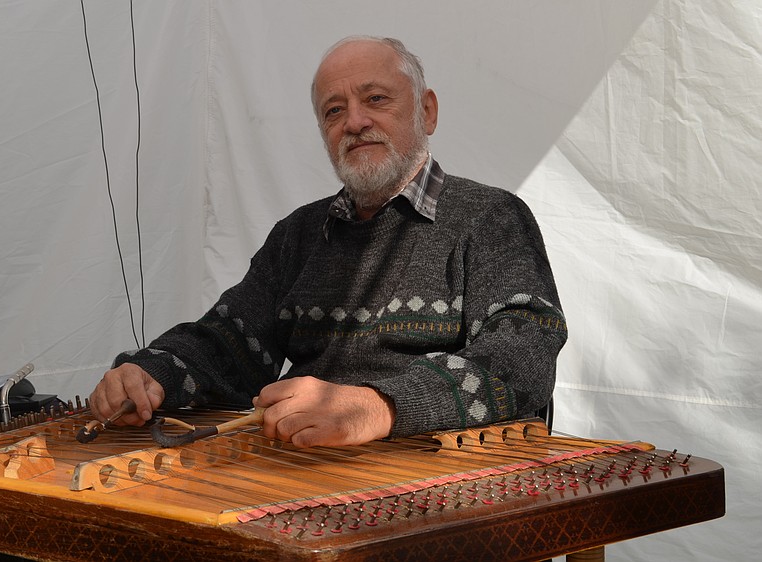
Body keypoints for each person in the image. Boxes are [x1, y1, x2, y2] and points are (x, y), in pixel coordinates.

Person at [89, 35, 567, 448]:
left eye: (376, 99)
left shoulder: (491, 218)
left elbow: (524, 359)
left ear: (427, 111)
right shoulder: (299, 234)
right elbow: (229, 343)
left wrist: (378, 407)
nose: (354, 122)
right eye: (333, 110)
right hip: (307, 483)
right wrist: (153, 373)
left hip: (440, 500)